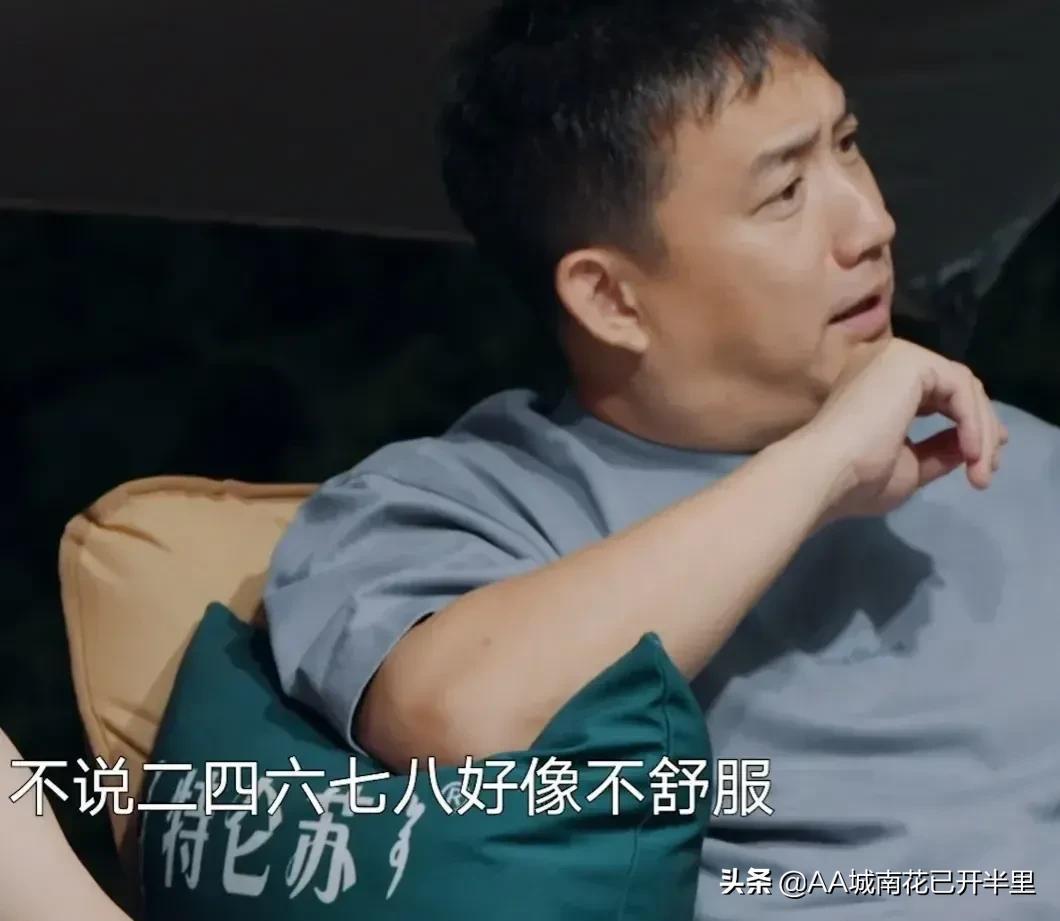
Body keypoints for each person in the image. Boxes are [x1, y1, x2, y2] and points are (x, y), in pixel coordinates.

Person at [264, 1, 1058, 917]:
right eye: (784, 193)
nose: (871, 223)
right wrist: (823, 462)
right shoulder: (458, 506)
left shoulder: (1017, 460)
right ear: (610, 298)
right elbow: (457, 721)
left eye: (846, 146)